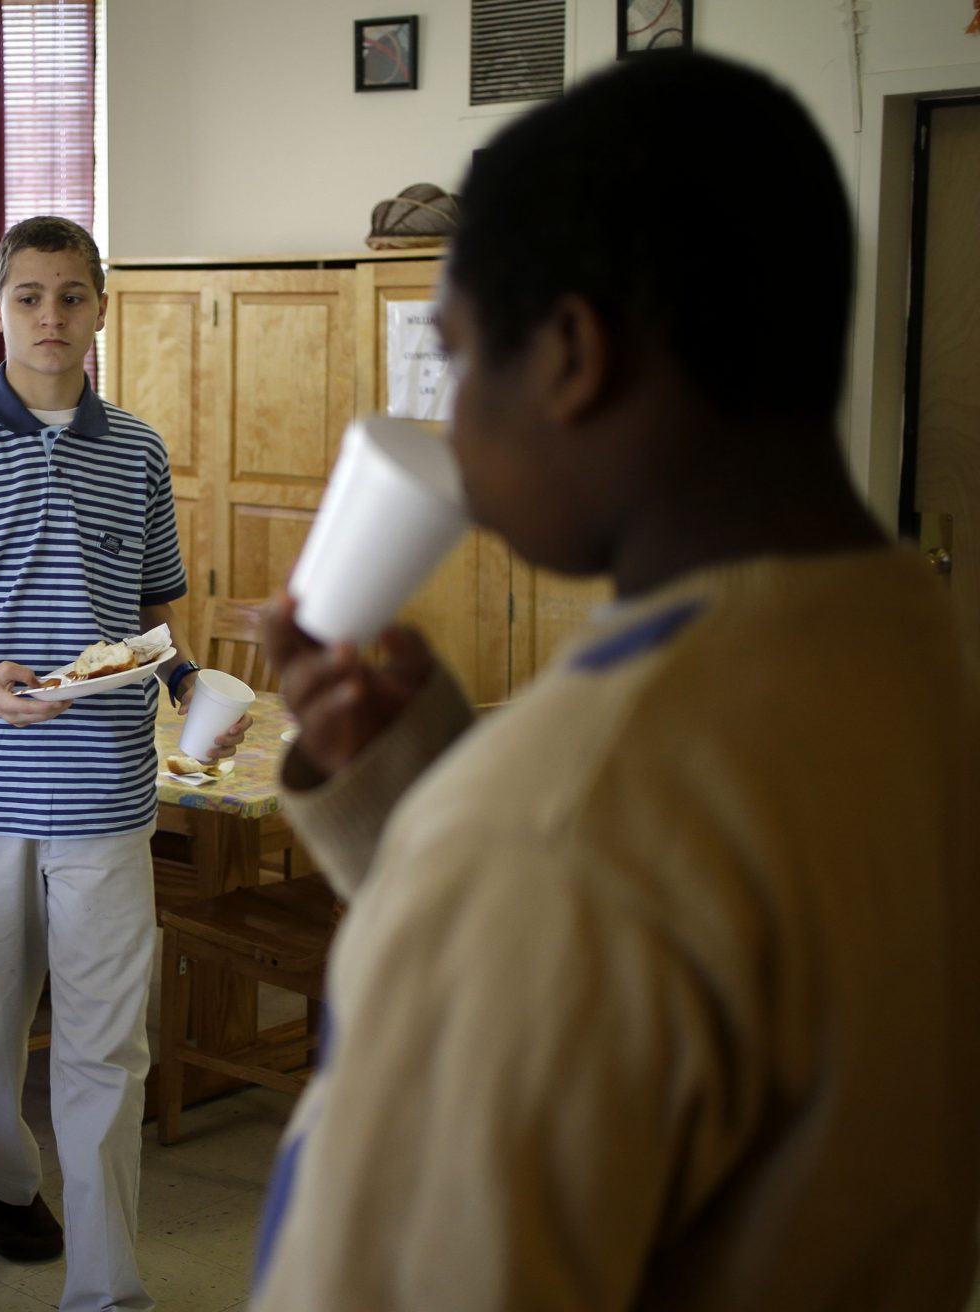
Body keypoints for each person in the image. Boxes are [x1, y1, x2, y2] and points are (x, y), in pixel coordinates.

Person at [251, 52, 980, 1309]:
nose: (451, 424)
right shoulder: (909, 658)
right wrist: (433, 810)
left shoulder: (555, 827)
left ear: (572, 355)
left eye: (459, 361)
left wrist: (479, 842)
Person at [0, 215, 248, 1312]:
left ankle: (108, 1287)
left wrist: (188, 682)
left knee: (107, 1043)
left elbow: (151, 611)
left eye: (72, 295)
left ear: (99, 311)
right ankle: (6, 1175)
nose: (51, 316)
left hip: (104, 789)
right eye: (29, 296)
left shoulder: (136, 450)